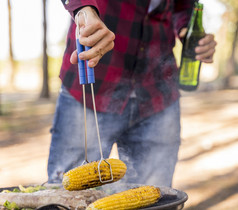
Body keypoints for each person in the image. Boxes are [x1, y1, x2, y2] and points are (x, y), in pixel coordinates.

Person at [47, 0, 216, 187]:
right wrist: (83, 8)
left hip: (158, 92)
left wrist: (187, 29)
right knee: (67, 196)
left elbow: (183, 5)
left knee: (154, 200)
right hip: (93, 84)